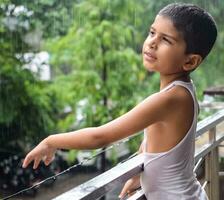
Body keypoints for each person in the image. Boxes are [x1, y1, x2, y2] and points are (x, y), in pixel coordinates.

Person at [22, 3, 217, 200]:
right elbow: (157, 142)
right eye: (152, 33)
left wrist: (51, 141)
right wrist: (139, 174)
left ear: (190, 61)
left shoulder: (171, 98)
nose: (152, 43)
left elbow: (100, 137)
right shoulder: (183, 91)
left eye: (166, 39)